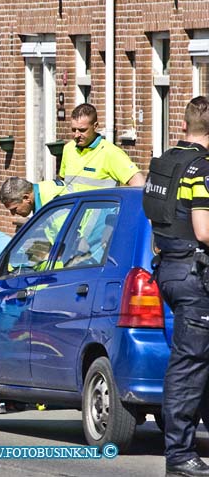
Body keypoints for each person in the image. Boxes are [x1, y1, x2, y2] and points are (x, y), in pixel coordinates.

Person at [143, 96, 209, 477]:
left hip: (169, 267)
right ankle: (180, 455)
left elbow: (157, 221)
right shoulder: (201, 169)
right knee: (190, 364)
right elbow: (203, 229)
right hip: (194, 275)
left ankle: (181, 449)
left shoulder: (166, 164)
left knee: (198, 362)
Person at [60, 103, 145, 189]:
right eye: (74, 130)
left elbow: (139, 184)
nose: (76, 135)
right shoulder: (68, 148)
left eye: (82, 130)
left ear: (95, 126)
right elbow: (62, 182)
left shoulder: (111, 153)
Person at [0, 176, 90, 217]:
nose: (13, 214)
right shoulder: (43, 189)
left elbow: (72, 238)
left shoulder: (51, 203)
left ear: (26, 198)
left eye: (14, 209)